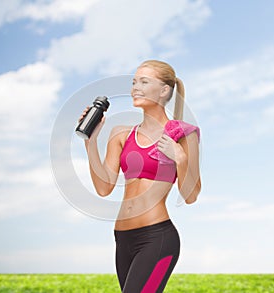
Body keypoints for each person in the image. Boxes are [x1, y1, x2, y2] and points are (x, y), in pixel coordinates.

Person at [79, 60, 201, 292]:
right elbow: (104, 187)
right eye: (134, 82)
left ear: (164, 90)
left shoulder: (184, 135)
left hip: (157, 239)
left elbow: (191, 195)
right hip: (122, 239)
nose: (135, 87)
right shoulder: (121, 134)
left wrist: (180, 159)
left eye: (144, 82)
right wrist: (91, 141)